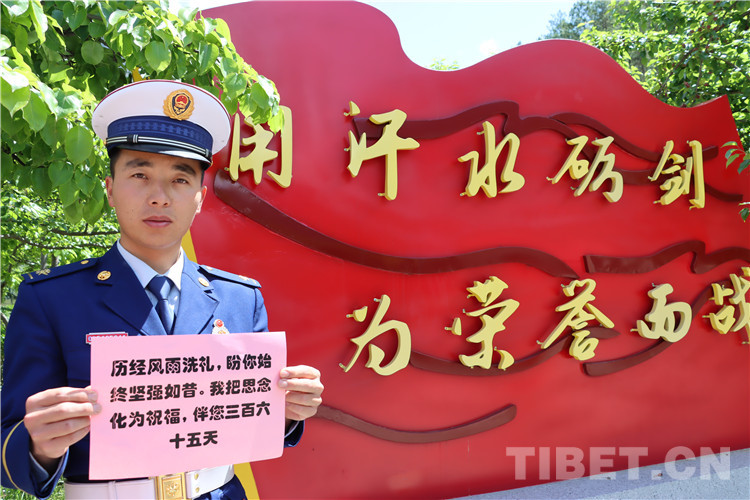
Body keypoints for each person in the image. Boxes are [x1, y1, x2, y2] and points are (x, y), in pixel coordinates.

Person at [1, 79, 324, 500]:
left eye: (179, 180)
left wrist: (287, 411)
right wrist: (39, 445)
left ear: (200, 198)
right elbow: (8, 446)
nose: (159, 197)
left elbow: (245, 425)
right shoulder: (52, 300)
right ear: (110, 189)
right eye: (140, 175)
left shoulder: (240, 299)